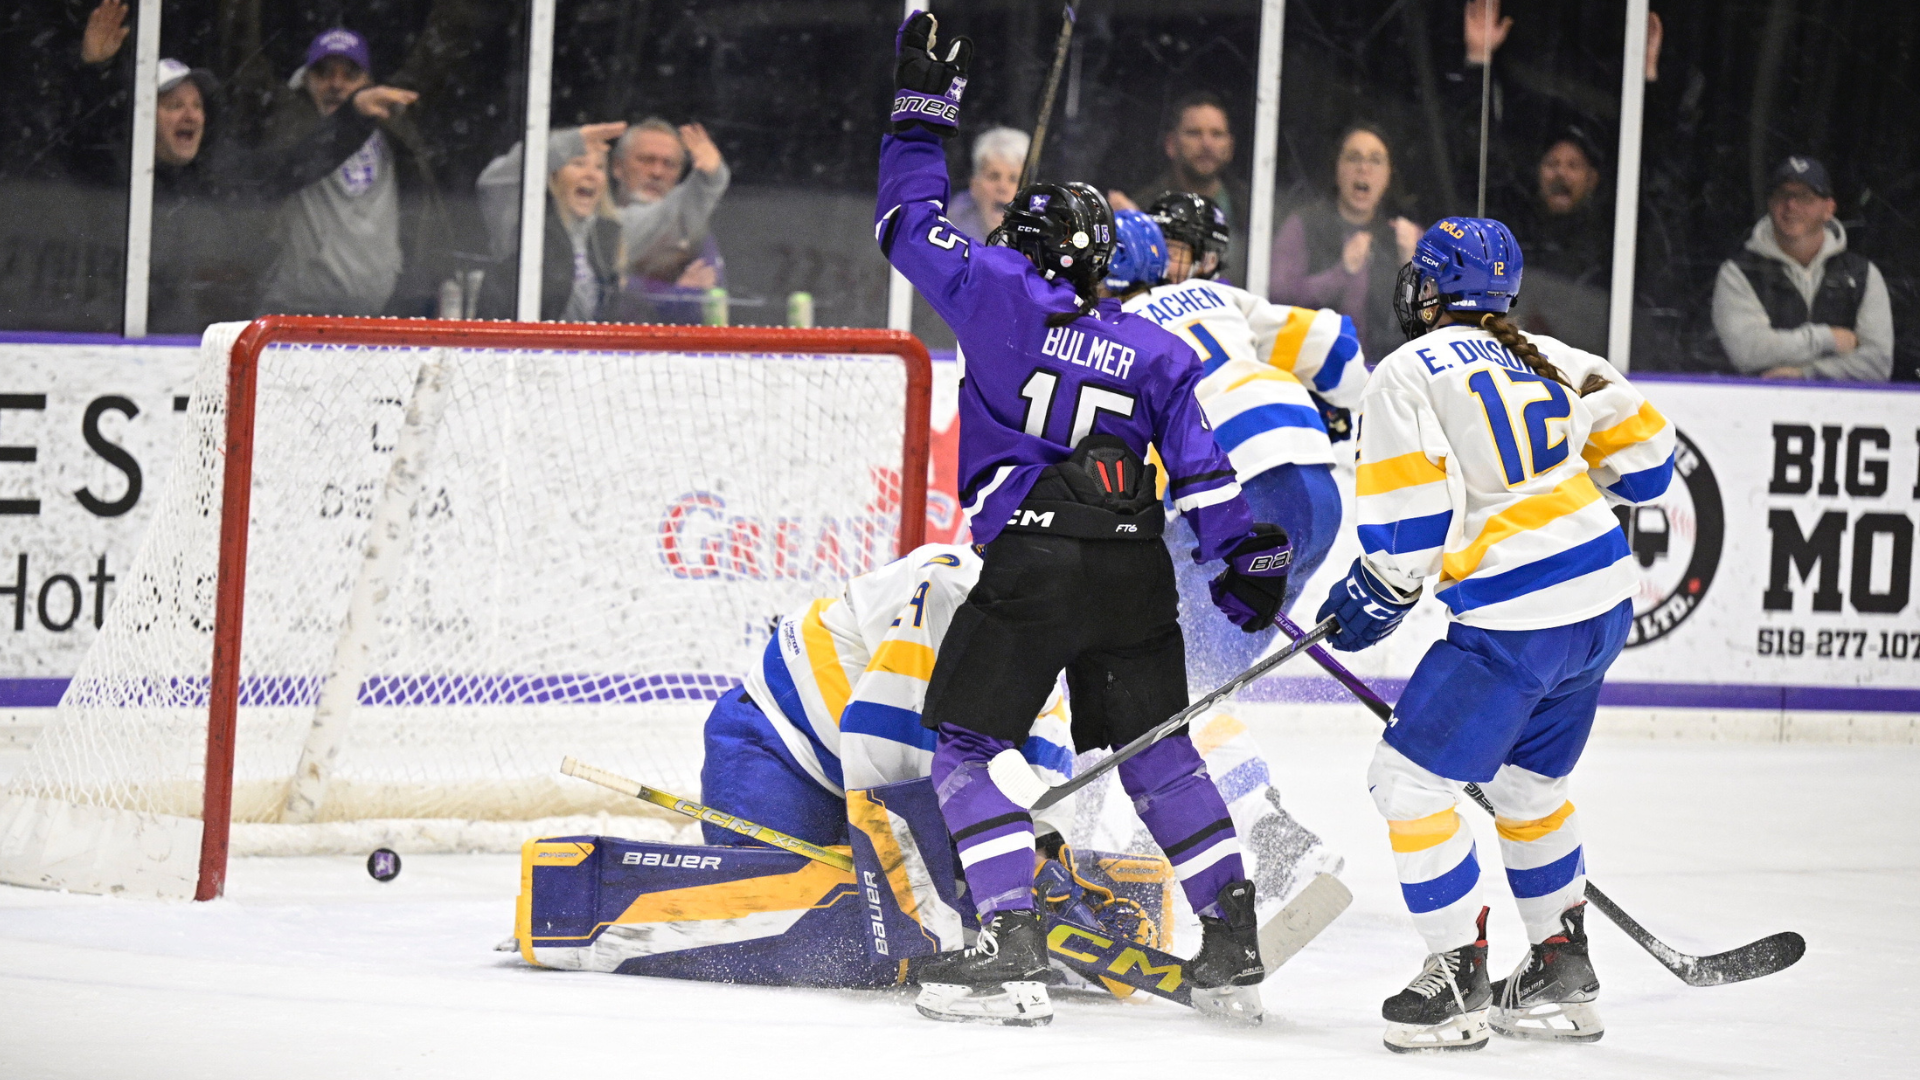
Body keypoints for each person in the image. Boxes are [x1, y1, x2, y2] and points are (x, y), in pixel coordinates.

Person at [878, 13, 1290, 1028]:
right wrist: (1247, 558)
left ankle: (1008, 945)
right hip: (1133, 567)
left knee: (967, 754)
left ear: (1031, 247)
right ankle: (1231, 937)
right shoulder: (1153, 346)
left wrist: (919, 117)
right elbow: (1204, 479)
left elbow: (902, 219)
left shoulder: (994, 288)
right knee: (1157, 751)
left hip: (1035, 565)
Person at [1316, 217, 1675, 1052]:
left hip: (1519, 619)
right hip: (1601, 605)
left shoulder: (1407, 370)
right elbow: (1652, 467)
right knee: (1526, 790)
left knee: (1407, 784)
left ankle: (1455, 977)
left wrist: (1374, 594)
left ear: (1431, 289)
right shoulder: (1555, 354)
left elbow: (1408, 527)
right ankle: (1560, 967)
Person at [1117, 194, 1367, 689]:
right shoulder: (1223, 299)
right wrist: (1337, 405)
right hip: (1322, 491)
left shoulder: (1113, 329)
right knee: (1212, 680)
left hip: (1232, 493)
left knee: (1178, 676)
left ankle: (1189, 760)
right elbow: (1338, 348)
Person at [699, 543, 1075, 849]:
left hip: (865, 769)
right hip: (780, 744)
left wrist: (1046, 849)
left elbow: (1044, 768)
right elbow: (885, 736)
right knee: (771, 908)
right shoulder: (954, 594)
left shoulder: (1045, 623)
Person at [254, 28, 449, 318]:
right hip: (294, 315)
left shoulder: (398, 138)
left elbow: (423, 219)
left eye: (350, 75)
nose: (336, 84)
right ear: (305, 81)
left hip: (381, 317)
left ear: (368, 83)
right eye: (323, 73)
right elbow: (280, 172)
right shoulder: (288, 134)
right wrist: (353, 116)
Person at [1711, 156, 1893, 381]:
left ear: (1829, 209)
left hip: (1845, 413)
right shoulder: (1739, 272)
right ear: (1770, 203)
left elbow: (1878, 364)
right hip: (1756, 410)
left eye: (1805, 197)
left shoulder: (1862, 274)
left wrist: (1805, 374)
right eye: (1782, 195)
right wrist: (1827, 338)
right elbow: (1748, 352)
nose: (1791, 205)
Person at [1270, 124, 1422, 362]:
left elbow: (1435, 322)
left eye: (1376, 160)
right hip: (1312, 371)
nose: (1363, 169)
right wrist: (1340, 273)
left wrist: (1413, 268)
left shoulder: (1406, 237)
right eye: (1353, 158)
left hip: (1385, 375)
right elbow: (1276, 298)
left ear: (1389, 175)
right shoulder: (1303, 225)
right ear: (1337, 168)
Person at [476, 124, 628, 321]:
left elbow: (666, 219)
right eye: (579, 163)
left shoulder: (607, 233)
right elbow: (495, 181)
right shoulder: (523, 225)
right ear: (552, 174)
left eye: (599, 167)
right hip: (521, 349)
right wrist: (567, 145)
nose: (591, 174)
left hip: (586, 351)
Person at [1113, 92, 1250, 285]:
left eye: (1217, 134)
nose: (1207, 144)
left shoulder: (1253, 207)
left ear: (1230, 146)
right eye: (1194, 133)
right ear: (1170, 144)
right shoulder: (1143, 207)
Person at [610, 119, 730, 324]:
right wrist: (676, 295)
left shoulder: (694, 233)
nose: (657, 173)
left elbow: (708, 312)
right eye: (646, 160)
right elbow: (608, 303)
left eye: (669, 164)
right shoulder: (597, 226)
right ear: (618, 167)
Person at [945, 126, 1027, 241]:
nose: (1003, 187)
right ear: (974, 185)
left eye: (1013, 179)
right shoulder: (946, 230)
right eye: (994, 177)